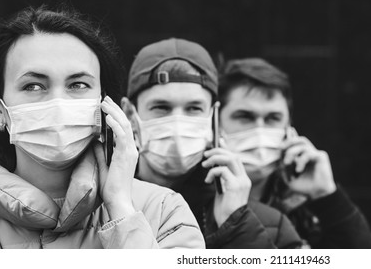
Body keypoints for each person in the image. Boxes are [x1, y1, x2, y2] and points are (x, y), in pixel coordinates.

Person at [0, 6, 204, 249]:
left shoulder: (163, 211)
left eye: (78, 85)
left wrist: (121, 210)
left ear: (104, 104)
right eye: (34, 86)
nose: (58, 101)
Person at [121, 38, 302, 248]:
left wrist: (236, 226)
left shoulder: (271, 224)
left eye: (194, 108)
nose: (179, 123)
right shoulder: (100, 206)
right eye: (161, 107)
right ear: (130, 115)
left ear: (213, 116)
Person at [218, 57, 371, 248]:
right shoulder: (195, 200)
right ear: (216, 124)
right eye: (245, 117)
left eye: (273, 118)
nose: (260, 130)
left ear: (289, 130)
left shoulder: (305, 211)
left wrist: (327, 197)